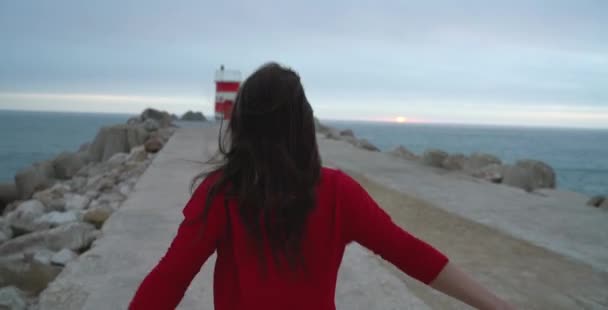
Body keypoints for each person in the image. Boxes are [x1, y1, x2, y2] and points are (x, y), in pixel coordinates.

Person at [130, 63, 515, 309]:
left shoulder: (222, 193)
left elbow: (170, 278)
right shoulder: (336, 192)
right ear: (303, 123)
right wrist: (495, 305)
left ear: (241, 124)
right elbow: (408, 252)